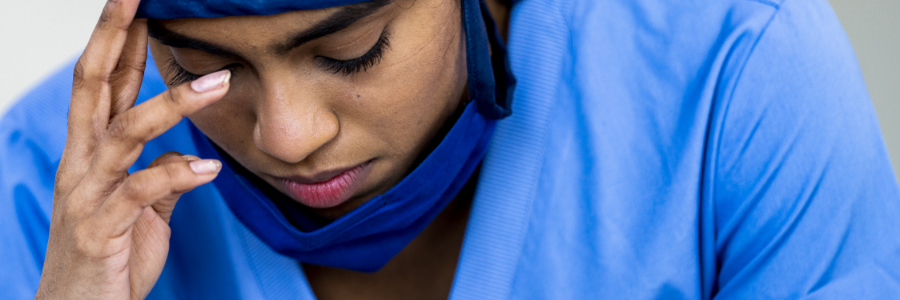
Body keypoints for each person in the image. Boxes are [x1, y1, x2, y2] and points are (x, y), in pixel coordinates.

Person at [1, 0, 899, 298]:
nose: (288, 136)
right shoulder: (52, 187)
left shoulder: (734, 76)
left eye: (351, 53)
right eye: (201, 70)